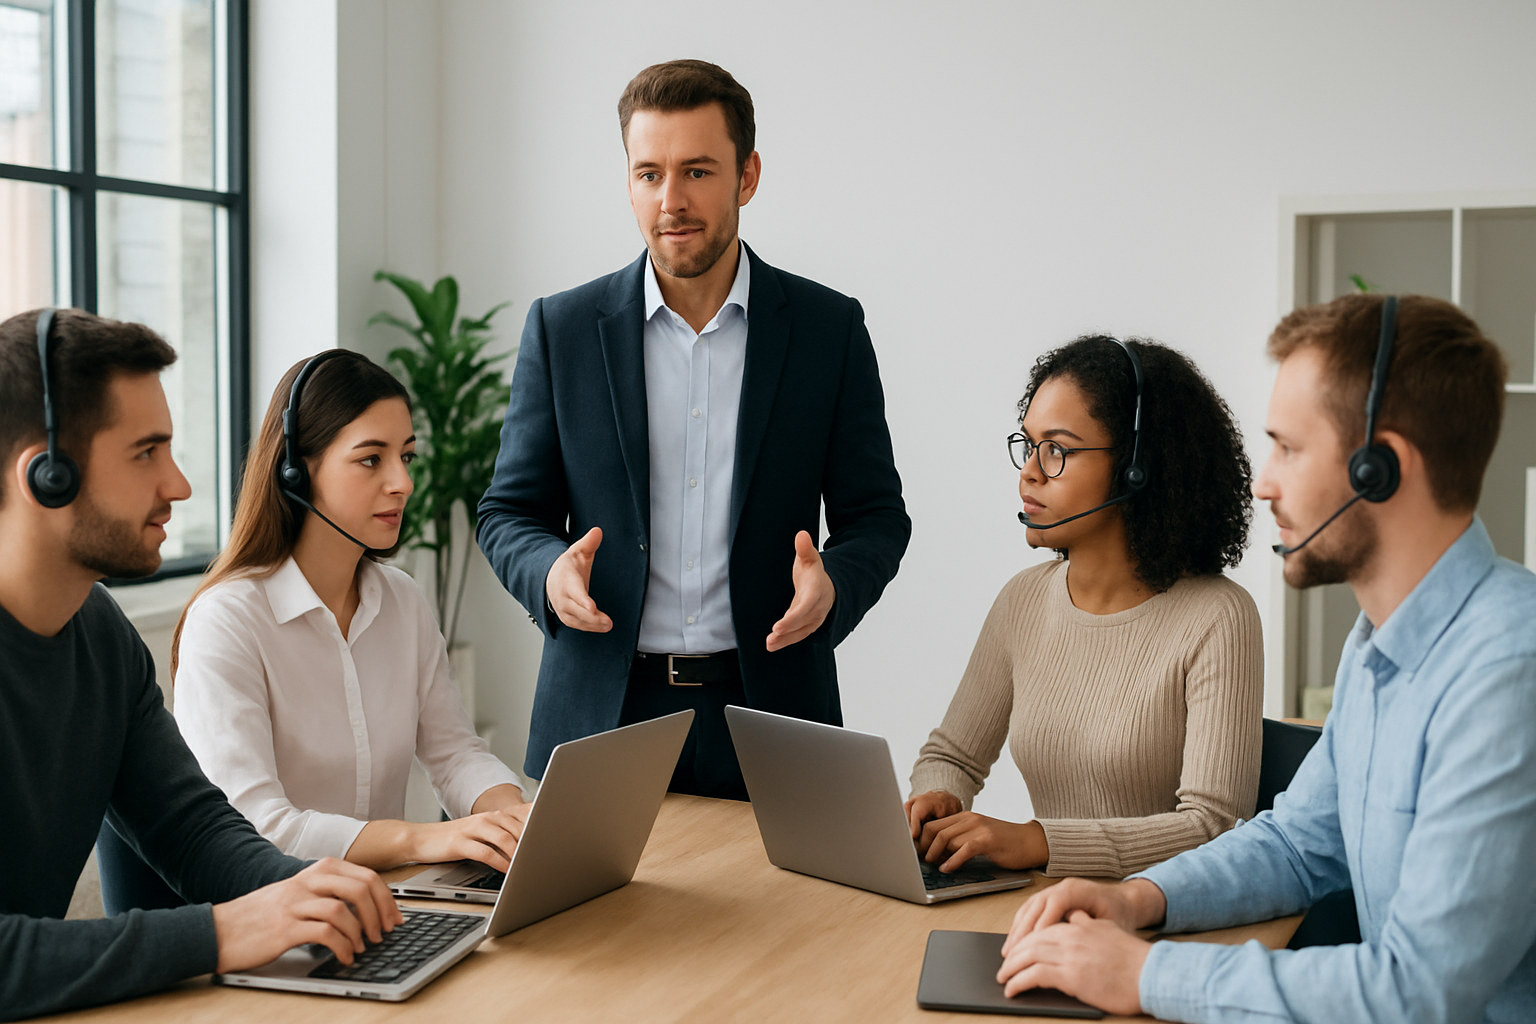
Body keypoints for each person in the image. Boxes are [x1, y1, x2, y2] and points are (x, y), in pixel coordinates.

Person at [996, 294, 1536, 1023]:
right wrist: (1135, 900)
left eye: (1289, 447)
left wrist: (1149, 974)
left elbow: (1420, 990)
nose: (1263, 481)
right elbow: (1298, 845)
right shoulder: (1379, 646)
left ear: (1380, 469)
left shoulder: (1508, 670)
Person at [476, 59, 910, 799]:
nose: (670, 201)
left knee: (791, 920)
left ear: (747, 177)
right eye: (648, 174)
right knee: (593, 923)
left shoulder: (826, 330)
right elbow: (508, 513)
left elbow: (876, 518)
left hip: (773, 710)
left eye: (698, 172)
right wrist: (548, 574)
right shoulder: (564, 329)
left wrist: (834, 584)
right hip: (603, 718)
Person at [0, 309, 400, 1020]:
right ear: (48, 476)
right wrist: (219, 932)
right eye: (146, 453)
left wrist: (311, 897)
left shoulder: (99, 633)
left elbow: (190, 830)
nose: (179, 485)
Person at [905, 336, 1262, 879]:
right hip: (1043, 911)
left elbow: (1212, 827)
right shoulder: (1023, 600)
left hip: (1156, 928)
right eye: (1028, 446)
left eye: (1058, 451)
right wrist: (939, 798)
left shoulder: (1218, 616)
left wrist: (1040, 842)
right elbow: (951, 757)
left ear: (1136, 468)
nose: (1029, 472)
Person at [168, 349, 530, 873]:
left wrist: (513, 821)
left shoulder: (401, 601)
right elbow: (253, 824)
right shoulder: (228, 620)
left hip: (394, 905)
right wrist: (424, 840)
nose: (402, 483)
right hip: (282, 915)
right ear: (297, 471)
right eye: (370, 458)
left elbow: (456, 755)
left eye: (406, 456)